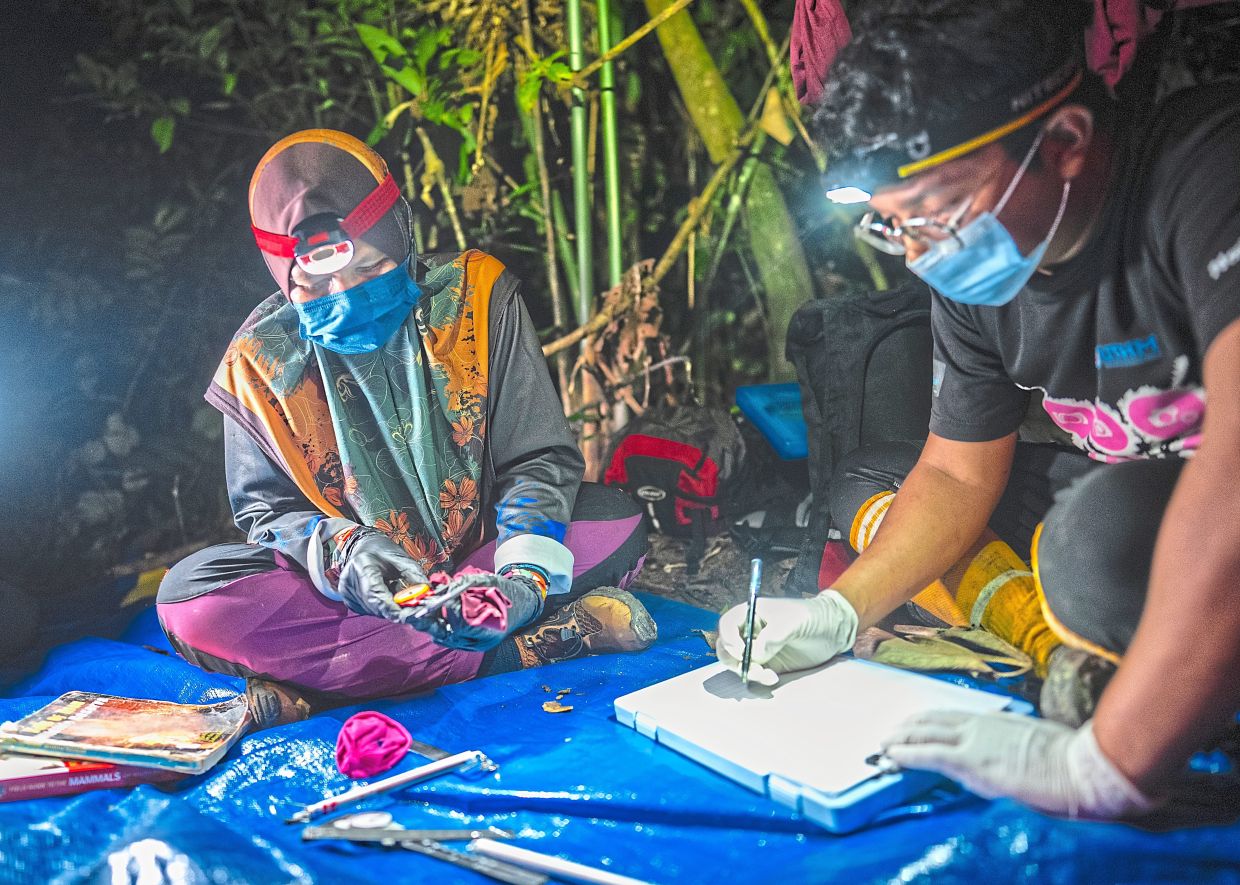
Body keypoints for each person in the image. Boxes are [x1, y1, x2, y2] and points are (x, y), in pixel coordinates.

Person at [716, 0, 1240, 820]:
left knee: (1093, 544)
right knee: (873, 480)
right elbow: (958, 473)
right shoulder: (978, 273)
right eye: (893, 226)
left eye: (933, 214)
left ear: (1063, 143)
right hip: (1135, 476)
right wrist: (840, 610)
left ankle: (1158, 693)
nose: (918, 252)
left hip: (1196, 493)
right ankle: (1076, 647)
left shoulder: (1207, 169)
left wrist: (1108, 764)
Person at [157, 129, 654, 728]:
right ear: (283, 280)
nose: (345, 296)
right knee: (193, 597)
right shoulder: (258, 363)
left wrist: (522, 578)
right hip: (359, 595)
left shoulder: (476, 299)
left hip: (486, 554)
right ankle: (519, 650)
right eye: (314, 287)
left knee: (612, 519)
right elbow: (269, 513)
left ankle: (334, 684)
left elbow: (537, 459)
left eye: (370, 267)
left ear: (402, 233)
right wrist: (347, 552)